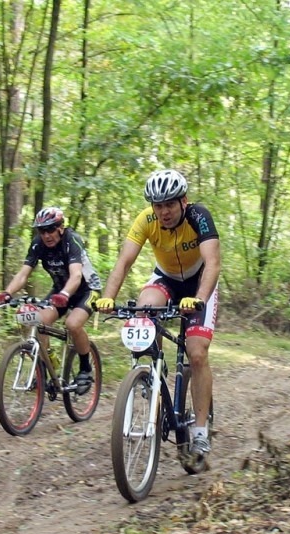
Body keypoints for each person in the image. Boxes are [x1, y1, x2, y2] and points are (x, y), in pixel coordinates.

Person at [96, 169, 221, 457]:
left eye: (169, 205)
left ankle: (200, 431)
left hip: (199, 281)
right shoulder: (146, 220)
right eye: (158, 205)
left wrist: (199, 300)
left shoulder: (199, 216)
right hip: (166, 278)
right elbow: (124, 261)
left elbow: (213, 263)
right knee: (144, 309)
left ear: (183, 201)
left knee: (197, 353)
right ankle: (154, 372)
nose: (164, 212)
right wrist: (108, 297)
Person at [0, 207, 102, 388]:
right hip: (60, 291)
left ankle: (85, 369)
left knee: (72, 324)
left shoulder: (71, 240)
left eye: (50, 229)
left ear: (60, 228)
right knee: (35, 320)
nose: (46, 235)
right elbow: (23, 274)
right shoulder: (38, 244)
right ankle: (47, 366)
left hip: (87, 290)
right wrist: (7, 293)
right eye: (42, 231)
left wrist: (65, 294)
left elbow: (76, 275)